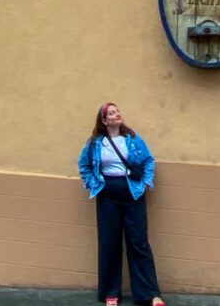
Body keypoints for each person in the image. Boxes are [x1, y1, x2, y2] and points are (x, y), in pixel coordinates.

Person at [78, 103, 164, 306]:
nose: (116, 115)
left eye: (117, 111)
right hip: (108, 194)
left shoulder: (133, 139)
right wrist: (93, 184)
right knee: (109, 243)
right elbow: (84, 165)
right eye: (111, 113)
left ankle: (149, 294)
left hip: (132, 193)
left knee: (138, 243)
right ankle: (110, 294)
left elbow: (148, 161)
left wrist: (145, 183)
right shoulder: (95, 143)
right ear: (104, 121)